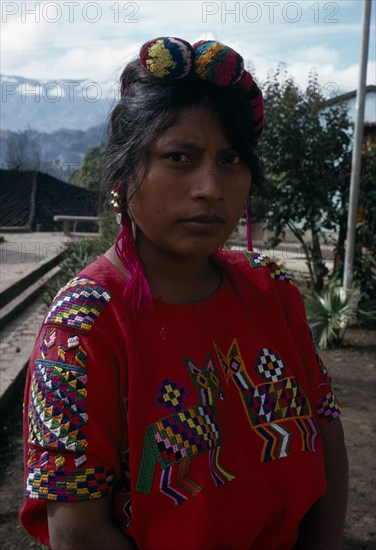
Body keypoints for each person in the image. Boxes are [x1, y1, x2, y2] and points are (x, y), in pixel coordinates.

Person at [20, 37, 348, 550]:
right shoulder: (82, 326)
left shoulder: (273, 291)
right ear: (126, 173)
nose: (211, 187)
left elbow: (326, 432)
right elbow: (78, 530)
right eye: (179, 157)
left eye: (232, 159)